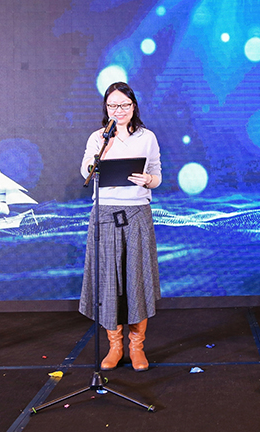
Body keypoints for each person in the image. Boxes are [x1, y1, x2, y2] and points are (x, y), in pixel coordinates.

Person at [79, 82, 162, 372]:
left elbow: (157, 175)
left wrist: (148, 180)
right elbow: (86, 171)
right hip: (105, 213)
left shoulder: (147, 137)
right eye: (113, 105)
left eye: (124, 105)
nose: (119, 110)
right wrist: (106, 147)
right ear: (106, 108)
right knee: (108, 281)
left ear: (133, 106)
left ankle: (136, 346)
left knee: (137, 279)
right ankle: (114, 346)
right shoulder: (98, 138)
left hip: (137, 213)